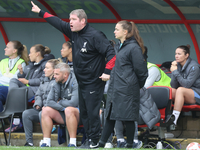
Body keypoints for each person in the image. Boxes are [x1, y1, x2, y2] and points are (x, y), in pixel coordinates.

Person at [31, 2, 116, 148]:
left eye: (73, 19)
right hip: (81, 80)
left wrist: (107, 72)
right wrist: (40, 12)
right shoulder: (74, 33)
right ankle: (89, 139)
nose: (70, 22)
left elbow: (112, 54)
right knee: (84, 113)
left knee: (92, 112)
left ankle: (94, 141)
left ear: (83, 21)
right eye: (69, 19)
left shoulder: (95, 35)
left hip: (94, 81)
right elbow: (57, 22)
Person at [98, 20, 148, 148]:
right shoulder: (120, 47)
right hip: (116, 87)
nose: (114, 31)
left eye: (117, 29)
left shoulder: (133, 48)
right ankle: (101, 144)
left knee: (128, 117)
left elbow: (141, 71)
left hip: (127, 88)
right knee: (109, 115)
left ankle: (130, 144)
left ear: (125, 32)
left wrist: (136, 85)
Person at [114, 46, 171, 148]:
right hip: (140, 104)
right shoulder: (130, 70)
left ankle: (135, 141)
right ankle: (120, 141)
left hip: (152, 107)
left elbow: (141, 89)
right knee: (116, 109)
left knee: (131, 109)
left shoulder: (152, 69)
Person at [5, 44, 54, 132]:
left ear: (37, 54)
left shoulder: (45, 64)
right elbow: (23, 77)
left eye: (31, 52)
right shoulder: (32, 64)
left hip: (37, 91)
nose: (29, 55)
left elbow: (44, 80)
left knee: (19, 93)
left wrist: (28, 82)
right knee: (13, 81)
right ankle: (16, 116)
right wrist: (21, 73)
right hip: (29, 89)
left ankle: (16, 120)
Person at [22, 59, 60, 146]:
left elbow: (58, 99)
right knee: (26, 113)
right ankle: (29, 142)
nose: (44, 70)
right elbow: (38, 94)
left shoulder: (58, 81)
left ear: (54, 70)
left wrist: (47, 107)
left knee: (42, 114)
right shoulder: (44, 80)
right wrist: (38, 104)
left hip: (53, 111)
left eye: (47, 68)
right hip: (41, 109)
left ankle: (46, 141)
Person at [40, 63, 79, 147]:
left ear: (65, 74)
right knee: (45, 110)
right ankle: (46, 142)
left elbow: (74, 103)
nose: (54, 76)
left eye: (57, 74)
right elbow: (49, 102)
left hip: (79, 113)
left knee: (69, 109)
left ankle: (72, 143)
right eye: (54, 74)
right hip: (65, 112)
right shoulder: (56, 82)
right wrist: (62, 108)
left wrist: (60, 102)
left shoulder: (75, 81)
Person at [169, 45, 200, 126]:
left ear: (186, 55)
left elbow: (187, 85)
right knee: (170, 91)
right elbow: (173, 85)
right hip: (185, 93)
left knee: (180, 90)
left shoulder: (194, 67)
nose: (176, 56)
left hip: (197, 94)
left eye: (179, 54)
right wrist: (174, 70)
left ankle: (174, 120)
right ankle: (165, 117)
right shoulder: (178, 65)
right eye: (176, 53)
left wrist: (175, 72)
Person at [0, 40, 29, 112]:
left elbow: (15, 80)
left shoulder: (21, 63)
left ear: (14, 50)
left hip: (11, 90)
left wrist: (3, 78)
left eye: (7, 47)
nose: (5, 49)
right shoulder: (2, 62)